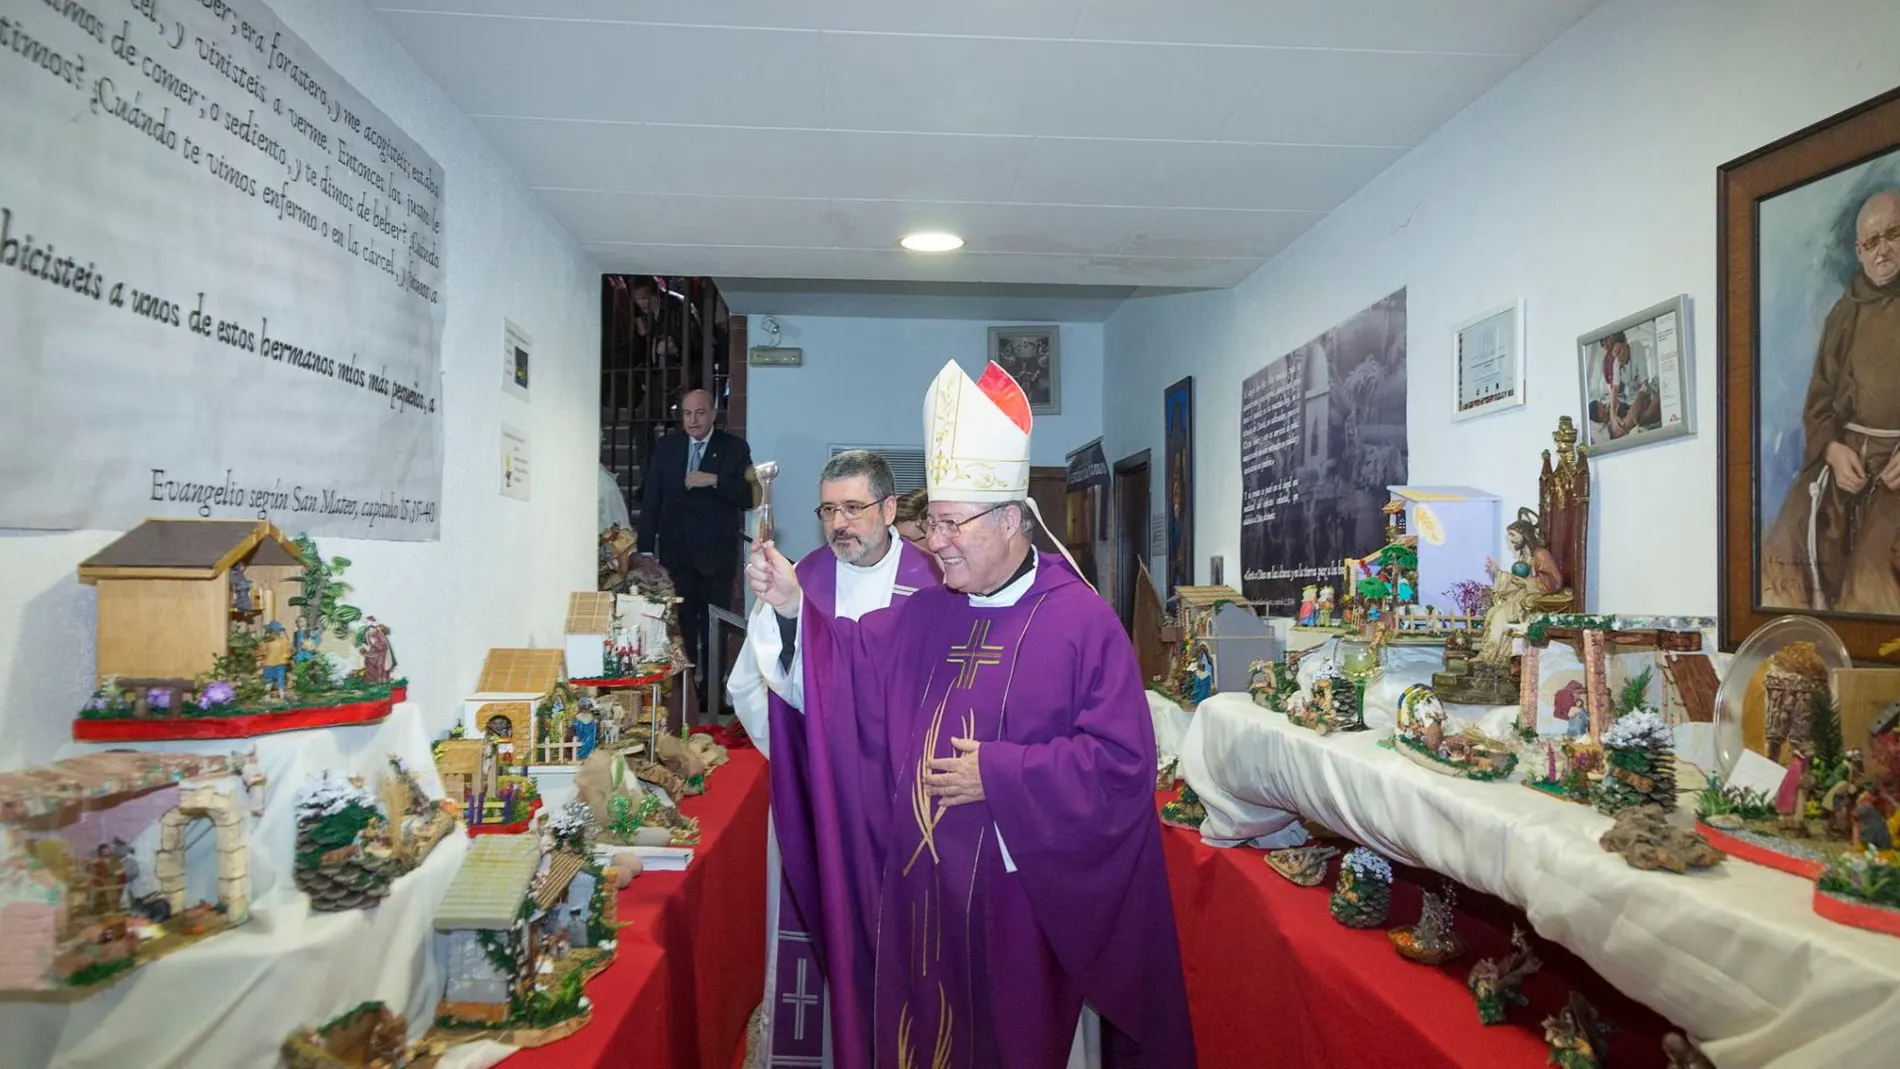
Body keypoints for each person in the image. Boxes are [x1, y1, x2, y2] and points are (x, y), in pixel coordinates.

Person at [748, 360, 1194, 1069]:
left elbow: (1122, 769)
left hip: (1021, 919)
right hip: (921, 910)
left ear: (1012, 519)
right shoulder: (928, 612)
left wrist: (1001, 771)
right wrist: (794, 606)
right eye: (934, 523)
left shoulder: (1081, 621)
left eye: (953, 524)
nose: (937, 542)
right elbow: (852, 673)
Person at [731, 450, 941, 1067]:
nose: (840, 523)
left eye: (854, 508)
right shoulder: (806, 580)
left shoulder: (933, 580)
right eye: (829, 510)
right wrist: (803, 755)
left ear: (891, 508)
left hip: (911, 805)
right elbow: (752, 685)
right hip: (826, 797)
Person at [1762, 188, 1900, 613]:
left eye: (1893, 234)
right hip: (1844, 461)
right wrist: (1834, 450)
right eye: (1872, 242)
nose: (1884, 251)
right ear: (1859, 252)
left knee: (1874, 576)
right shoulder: (1844, 313)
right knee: (1781, 548)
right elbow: (1819, 403)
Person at [638, 388, 754, 709]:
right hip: (677, 556)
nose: (693, 420)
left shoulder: (734, 448)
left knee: (714, 625)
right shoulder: (668, 447)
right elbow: (652, 500)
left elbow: (750, 496)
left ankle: (712, 695)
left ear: (713, 414)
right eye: (687, 414)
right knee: (682, 626)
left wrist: (713, 480)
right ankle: (684, 695)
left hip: (716, 556)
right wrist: (645, 549)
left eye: (700, 413)